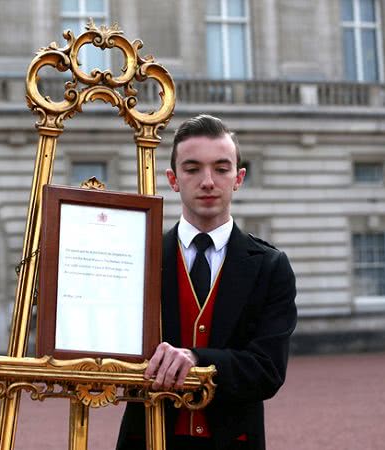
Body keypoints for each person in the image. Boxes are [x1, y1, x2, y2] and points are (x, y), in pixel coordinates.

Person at [116, 114, 297, 450]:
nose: (208, 181)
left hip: (233, 440)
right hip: (149, 437)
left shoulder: (271, 267)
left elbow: (267, 371)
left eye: (221, 168)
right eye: (193, 168)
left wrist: (197, 359)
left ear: (239, 178)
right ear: (173, 179)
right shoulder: (138, 257)